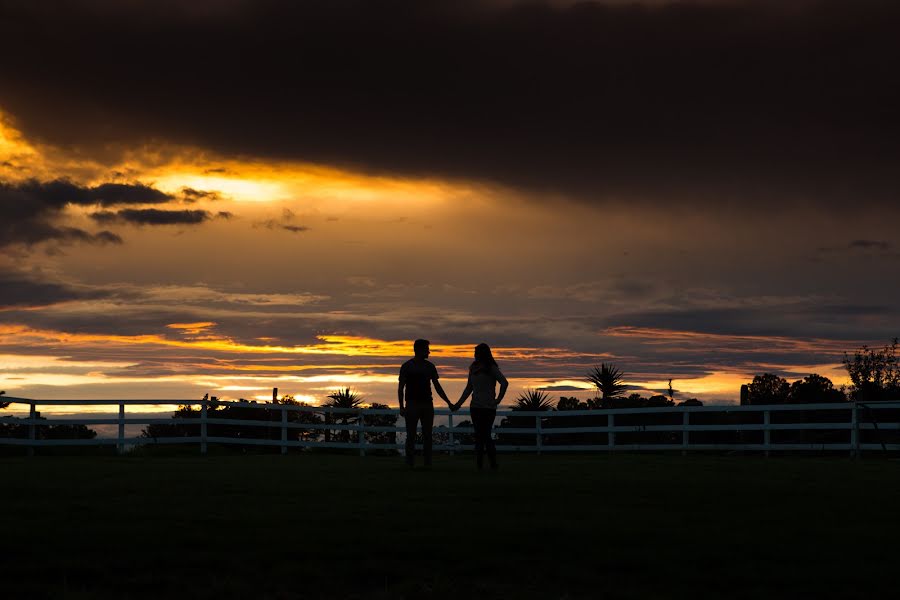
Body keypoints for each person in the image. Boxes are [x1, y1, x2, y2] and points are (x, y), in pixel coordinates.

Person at [398, 338, 453, 468]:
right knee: (412, 435)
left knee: (426, 435)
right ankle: (411, 463)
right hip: (413, 404)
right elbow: (401, 388)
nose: (429, 352)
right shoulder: (408, 366)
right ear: (420, 350)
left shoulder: (429, 367)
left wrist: (448, 402)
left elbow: (437, 387)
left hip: (426, 404)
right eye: (427, 349)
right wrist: (401, 406)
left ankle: (426, 463)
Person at [453, 343, 508, 470]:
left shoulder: (491, 368)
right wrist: (459, 404)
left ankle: (491, 463)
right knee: (479, 435)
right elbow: (468, 388)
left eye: (476, 352)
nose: (474, 355)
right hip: (475, 407)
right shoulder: (473, 368)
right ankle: (480, 464)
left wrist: (498, 399)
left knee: (486, 435)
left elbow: (504, 382)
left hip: (488, 407)